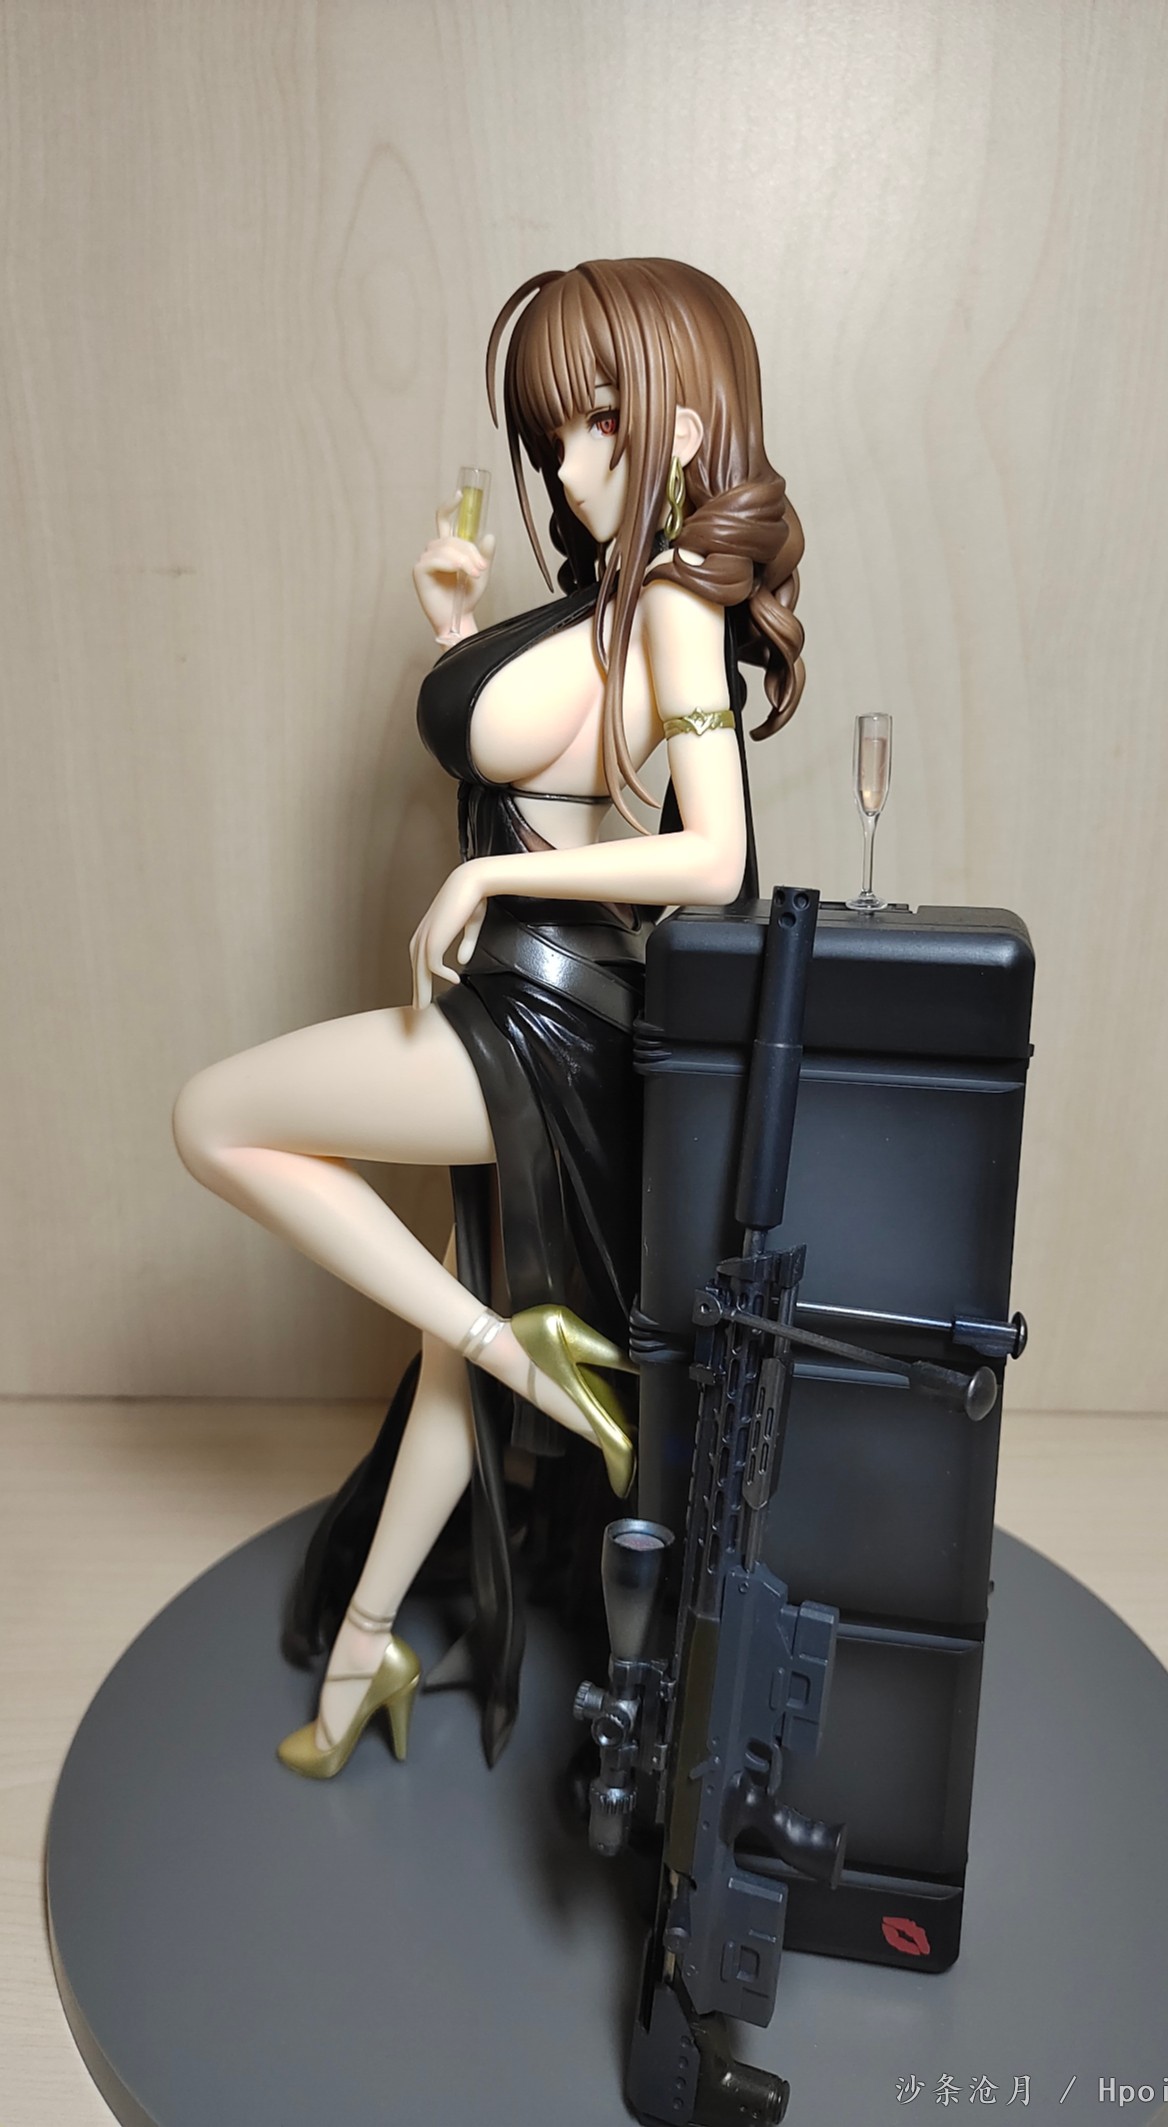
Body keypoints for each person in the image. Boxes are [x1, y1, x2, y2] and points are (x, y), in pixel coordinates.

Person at [171, 256, 805, 1776]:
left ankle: (523, 1356)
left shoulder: (675, 606)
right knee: (445, 1354)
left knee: (217, 1119)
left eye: (601, 424)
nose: (571, 469)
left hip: (544, 1018)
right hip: (516, 997)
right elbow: (548, 776)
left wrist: (487, 885)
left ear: (684, 419)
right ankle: (365, 1652)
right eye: (552, 437)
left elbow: (713, 857)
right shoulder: (611, 603)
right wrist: (455, 631)